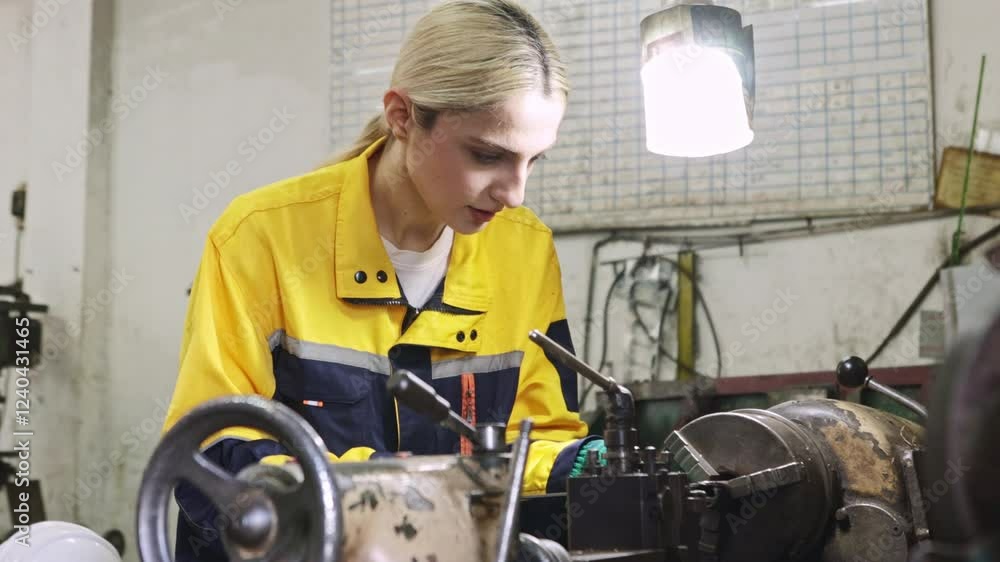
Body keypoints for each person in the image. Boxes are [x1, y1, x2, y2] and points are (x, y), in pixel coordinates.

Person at [162, 0, 606, 560]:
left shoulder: (524, 249)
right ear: (402, 115)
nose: (514, 192)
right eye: (487, 155)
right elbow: (210, 450)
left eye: (533, 160)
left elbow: (531, 438)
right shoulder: (262, 238)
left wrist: (582, 464)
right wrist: (378, 486)